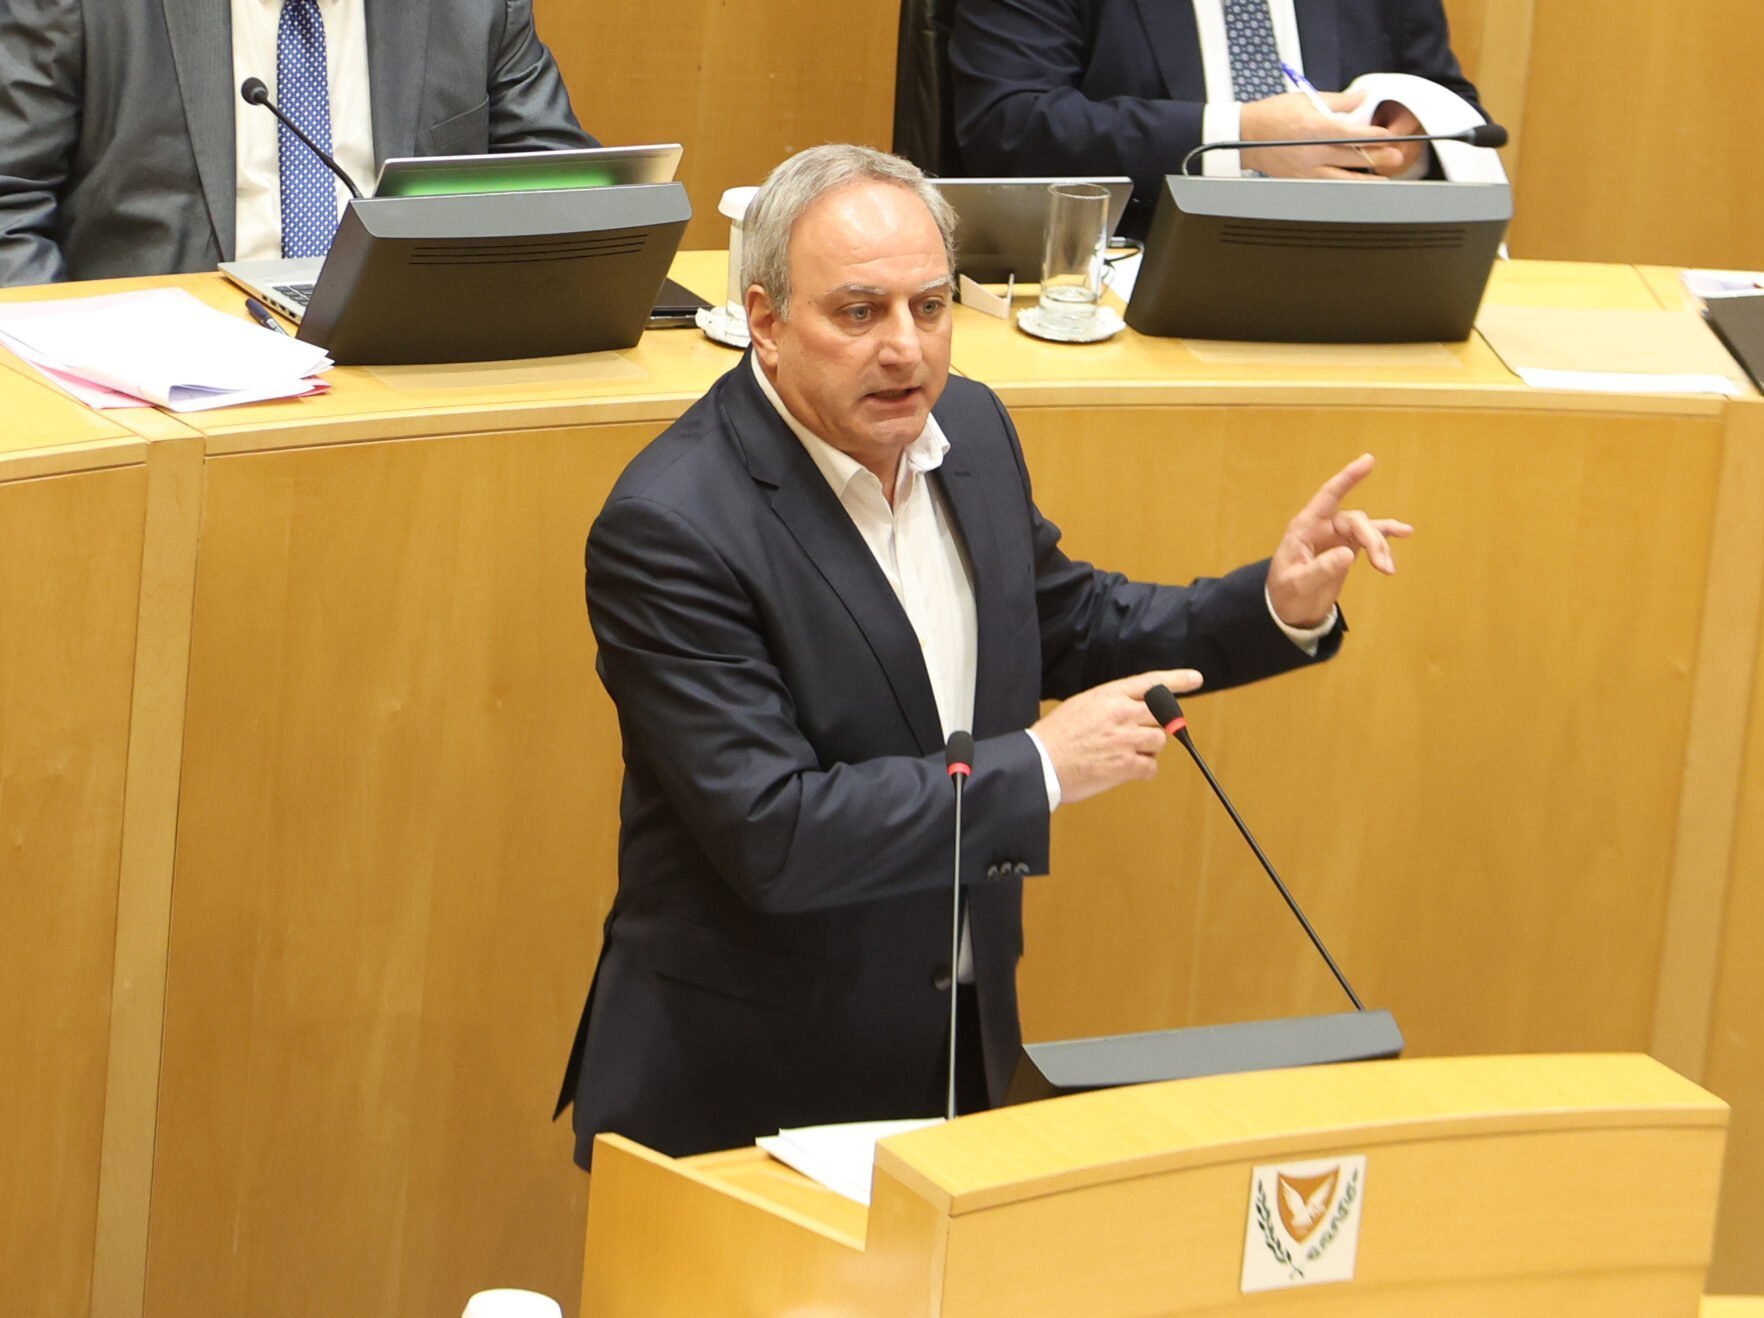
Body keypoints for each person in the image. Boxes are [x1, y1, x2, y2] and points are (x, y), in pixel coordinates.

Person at [554, 143, 1409, 1164]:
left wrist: (1270, 604)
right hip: (747, 1089)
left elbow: (1066, 622)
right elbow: (774, 829)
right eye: (859, 312)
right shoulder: (674, 526)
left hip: (953, 1046)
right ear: (767, 323)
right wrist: (1043, 766)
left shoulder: (969, 427)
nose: (905, 350)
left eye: (929, 307)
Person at [0, 0, 594, 285]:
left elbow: (570, 197)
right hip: (161, 385)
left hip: (406, 376)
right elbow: (10, 205)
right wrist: (73, 381)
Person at [949, 0, 1484, 235]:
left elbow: (1456, 112)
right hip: (1127, 276)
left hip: (1355, 269)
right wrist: (1243, 139)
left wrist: (1409, 137)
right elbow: (1009, 125)